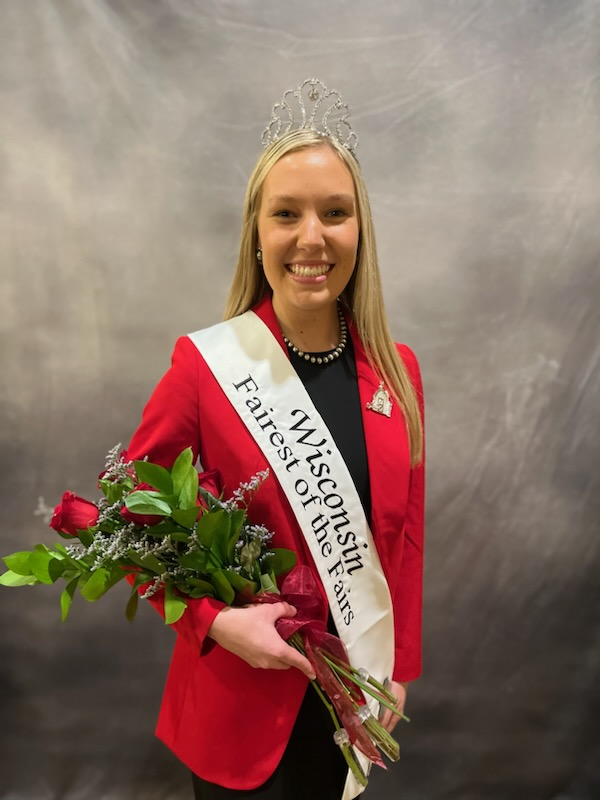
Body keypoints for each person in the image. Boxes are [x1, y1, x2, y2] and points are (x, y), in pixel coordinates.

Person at [126, 79, 425, 800]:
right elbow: (130, 520)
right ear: (257, 234)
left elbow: (404, 536)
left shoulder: (397, 371)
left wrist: (400, 667)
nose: (312, 238)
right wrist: (216, 620)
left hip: (349, 697)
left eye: (335, 213)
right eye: (286, 214)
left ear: (361, 231)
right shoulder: (205, 368)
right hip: (238, 711)